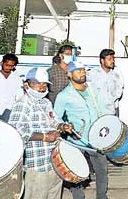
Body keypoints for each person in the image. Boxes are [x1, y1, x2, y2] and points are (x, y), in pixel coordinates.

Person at [9, 68, 75, 199]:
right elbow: (15, 130)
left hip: (54, 162)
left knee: (54, 195)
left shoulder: (46, 102)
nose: (42, 87)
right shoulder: (23, 103)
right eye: (37, 83)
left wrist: (63, 126)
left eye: (44, 84)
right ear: (27, 84)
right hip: (37, 165)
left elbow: (54, 122)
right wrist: (44, 136)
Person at [54, 61, 109, 199]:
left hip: (97, 139)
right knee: (77, 171)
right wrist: (64, 126)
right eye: (78, 71)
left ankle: (102, 196)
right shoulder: (63, 95)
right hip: (77, 140)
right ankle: (78, 196)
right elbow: (56, 118)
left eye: (84, 70)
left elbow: (103, 109)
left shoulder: (93, 89)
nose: (83, 73)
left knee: (102, 170)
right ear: (69, 74)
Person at [88, 49, 124, 116]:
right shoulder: (92, 74)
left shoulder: (116, 76)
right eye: (109, 59)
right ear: (102, 60)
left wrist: (110, 100)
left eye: (113, 59)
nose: (112, 61)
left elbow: (119, 92)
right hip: (95, 112)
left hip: (111, 111)